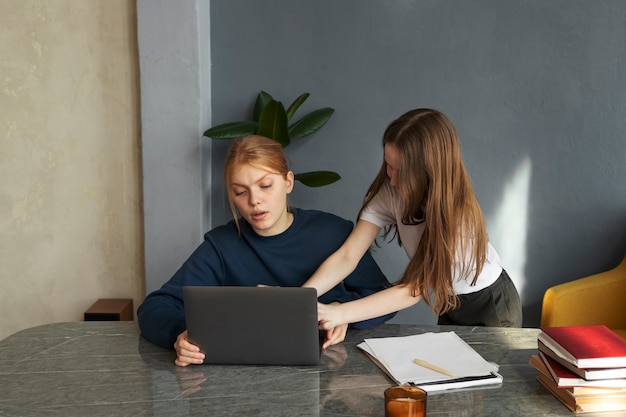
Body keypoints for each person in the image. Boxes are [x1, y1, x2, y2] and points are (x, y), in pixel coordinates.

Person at [137, 135, 396, 366]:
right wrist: (181, 334)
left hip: (329, 367)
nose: (254, 201)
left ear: (288, 182)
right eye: (240, 192)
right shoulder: (221, 246)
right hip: (243, 375)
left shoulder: (333, 232)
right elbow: (155, 306)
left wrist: (343, 312)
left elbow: (384, 296)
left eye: (265, 186)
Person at [303, 108, 522, 331]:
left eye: (403, 171)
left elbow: (412, 290)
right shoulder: (388, 192)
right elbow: (348, 256)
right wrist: (301, 298)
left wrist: (341, 313)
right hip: (450, 302)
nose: (393, 179)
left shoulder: (458, 220)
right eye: (389, 165)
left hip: (491, 304)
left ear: (430, 171)